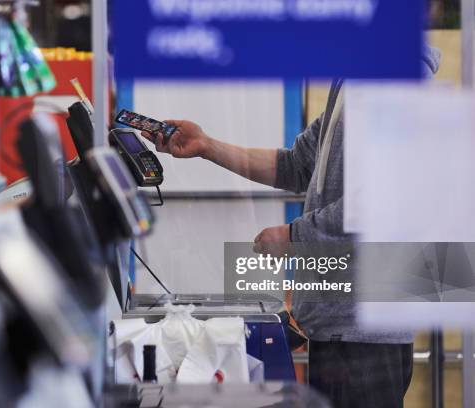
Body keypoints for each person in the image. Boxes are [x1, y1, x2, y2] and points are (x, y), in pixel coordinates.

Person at [142, 47, 441, 408]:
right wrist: (206, 147)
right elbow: (296, 165)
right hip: (338, 322)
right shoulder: (351, 79)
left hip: (364, 328)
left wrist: (294, 237)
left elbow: (386, 198)